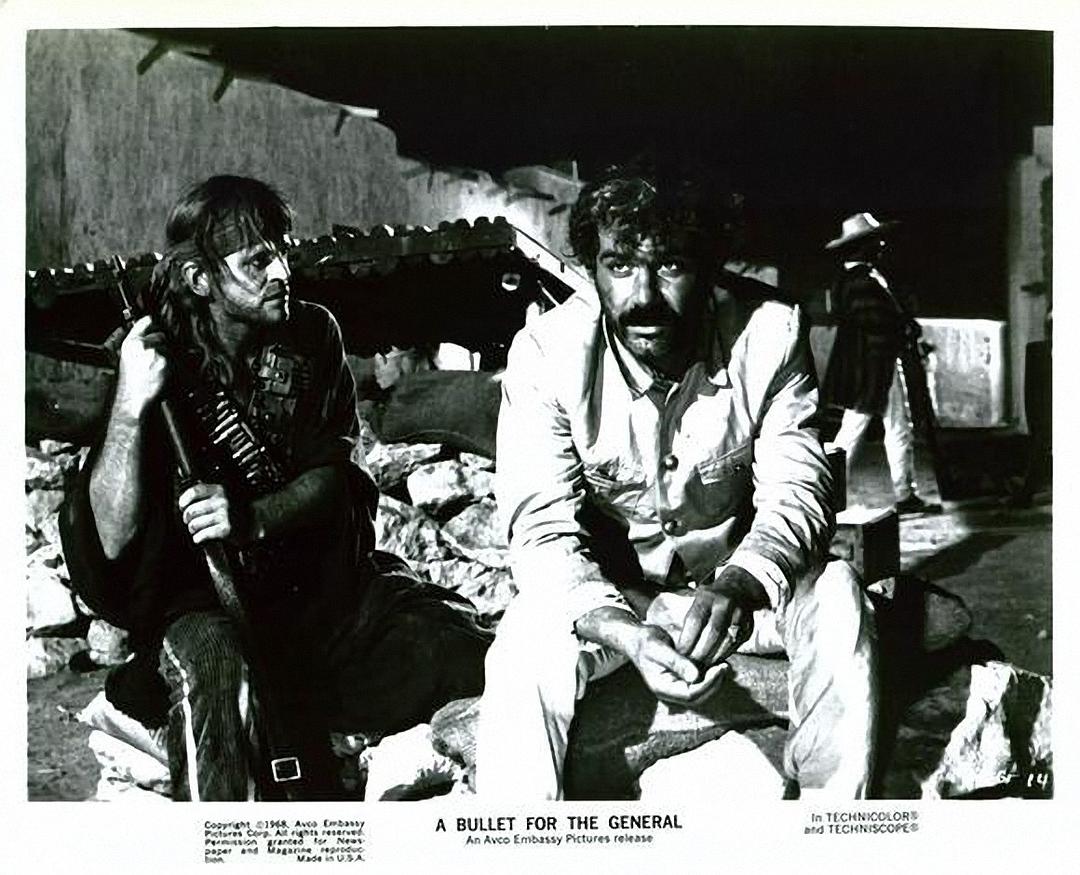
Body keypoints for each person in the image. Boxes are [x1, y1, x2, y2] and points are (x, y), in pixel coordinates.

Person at [60, 175, 490, 800]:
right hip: (201, 606)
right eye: (256, 261)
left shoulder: (310, 335)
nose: (282, 272)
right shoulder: (149, 358)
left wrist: (251, 516)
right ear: (199, 279)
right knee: (215, 677)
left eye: (281, 253)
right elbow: (109, 539)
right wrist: (130, 406)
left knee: (457, 646)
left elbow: (333, 474)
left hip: (320, 596)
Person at [474, 164, 878, 800]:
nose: (643, 296)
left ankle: (831, 824)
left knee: (837, 591)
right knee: (524, 637)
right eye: (619, 265)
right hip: (619, 602)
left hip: (743, 600)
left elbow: (798, 492)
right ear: (592, 268)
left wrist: (741, 584)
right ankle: (523, 837)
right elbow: (541, 530)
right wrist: (623, 631)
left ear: (709, 267)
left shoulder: (769, 333)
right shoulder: (546, 353)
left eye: (669, 265)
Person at [822, 212, 934, 514]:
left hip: (871, 363)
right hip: (872, 365)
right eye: (875, 240)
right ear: (861, 246)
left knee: (882, 428)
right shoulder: (861, 281)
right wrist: (904, 330)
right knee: (859, 432)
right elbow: (875, 323)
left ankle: (900, 493)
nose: (881, 244)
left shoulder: (856, 278)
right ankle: (829, 496)